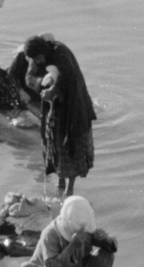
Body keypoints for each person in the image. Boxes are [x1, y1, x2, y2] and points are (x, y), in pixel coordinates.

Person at [17, 34, 96, 194]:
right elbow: (29, 77)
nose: (38, 62)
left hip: (74, 104)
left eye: (40, 58)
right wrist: (42, 84)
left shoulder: (61, 52)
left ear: (44, 52)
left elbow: (69, 76)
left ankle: (70, 190)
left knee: (72, 145)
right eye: (35, 59)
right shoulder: (34, 57)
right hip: (54, 109)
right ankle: (60, 183)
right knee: (55, 144)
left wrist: (54, 89)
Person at [19, 194, 116, 267]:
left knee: (106, 255)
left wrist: (108, 241)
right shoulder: (50, 234)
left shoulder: (84, 230)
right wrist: (72, 246)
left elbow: (102, 240)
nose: (84, 232)